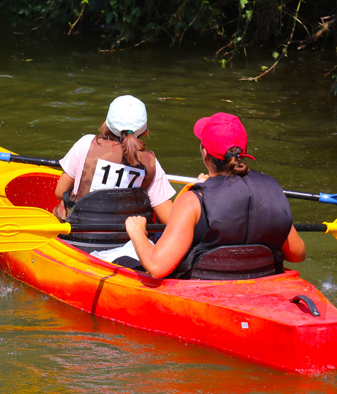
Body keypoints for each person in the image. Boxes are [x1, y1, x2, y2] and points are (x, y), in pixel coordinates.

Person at [124, 112, 306, 279]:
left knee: (125, 261)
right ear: (243, 151)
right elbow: (297, 254)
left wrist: (137, 232)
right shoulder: (271, 189)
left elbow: (156, 267)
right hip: (260, 286)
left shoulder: (193, 200)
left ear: (205, 153)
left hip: (204, 292)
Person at [53, 95, 175, 224]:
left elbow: (60, 192)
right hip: (125, 239)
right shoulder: (151, 163)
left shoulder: (85, 143)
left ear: (105, 125)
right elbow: (169, 219)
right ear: (144, 132)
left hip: (78, 234)